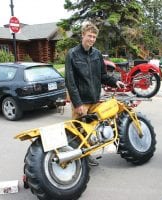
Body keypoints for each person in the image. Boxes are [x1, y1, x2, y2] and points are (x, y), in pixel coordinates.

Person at [65, 21, 125, 166]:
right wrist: (78, 103)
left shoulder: (97, 54)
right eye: (89, 36)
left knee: (91, 133)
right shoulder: (72, 54)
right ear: (82, 35)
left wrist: (115, 82)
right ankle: (76, 162)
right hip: (81, 102)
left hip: (94, 100)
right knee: (77, 133)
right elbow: (70, 82)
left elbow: (102, 76)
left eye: (94, 37)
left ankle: (88, 156)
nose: (92, 39)